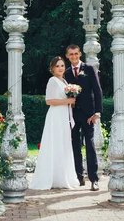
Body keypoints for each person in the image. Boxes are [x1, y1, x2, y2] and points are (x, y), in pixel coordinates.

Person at [29, 56, 80, 190]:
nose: (60, 68)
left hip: (64, 116)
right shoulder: (52, 81)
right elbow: (49, 101)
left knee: (63, 143)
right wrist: (67, 102)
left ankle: (62, 177)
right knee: (55, 143)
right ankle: (50, 177)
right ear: (52, 68)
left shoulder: (63, 81)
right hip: (56, 115)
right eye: (57, 66)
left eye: (62, 65)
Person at [65, 44, 103, 192]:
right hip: (72, 115)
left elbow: (97, 90)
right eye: (71, 54)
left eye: (76, 53)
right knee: (75, 146)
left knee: (90, 145)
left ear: (80, 54)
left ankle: (94, 179)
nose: (74, 56)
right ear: (67, 56)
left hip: (88, 115)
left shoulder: (89, 69)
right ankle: (78, 177)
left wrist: (97, 112)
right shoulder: (66, 73)